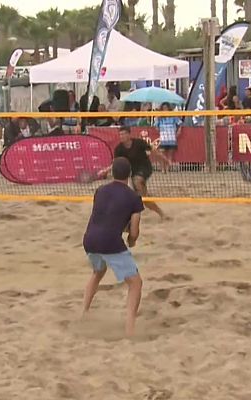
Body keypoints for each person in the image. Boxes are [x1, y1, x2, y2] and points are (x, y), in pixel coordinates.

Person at [82, 157, 144, 336]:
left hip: (89, 240)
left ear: (112, 172)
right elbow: (134, 230)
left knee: (97, 273)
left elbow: (106, 215)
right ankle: (130, 328)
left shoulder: (100, 191)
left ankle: (84, 312)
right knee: (135, 283)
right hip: (109, 241)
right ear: (129, 174)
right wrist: (132, 241)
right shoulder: (134, 198)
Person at [99, 127, 169, 220]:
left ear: (129, 134)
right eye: (120, 134)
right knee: (143, 197)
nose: (122, 136)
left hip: (145, 168)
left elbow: (153, 150)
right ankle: (161, 213)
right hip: (133, 172)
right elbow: (115, 163)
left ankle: (158, 212)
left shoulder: (139, 143)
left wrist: (165, 159)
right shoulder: (119, 149)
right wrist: (105, 170)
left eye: (124, 134)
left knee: (137, 182)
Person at [154, 102, 182, 168]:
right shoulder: (159, 118)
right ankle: (163, 168)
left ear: (169, 108)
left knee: (170, 154)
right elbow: (156, 126)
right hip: (163, 137)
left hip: (171, 137)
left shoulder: (173, 116)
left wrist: (179, 131)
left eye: (166, 108)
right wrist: (158, 129)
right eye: (163, 108)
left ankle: (168, 168)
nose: (165, 109)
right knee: (161, 153)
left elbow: (180, 123)